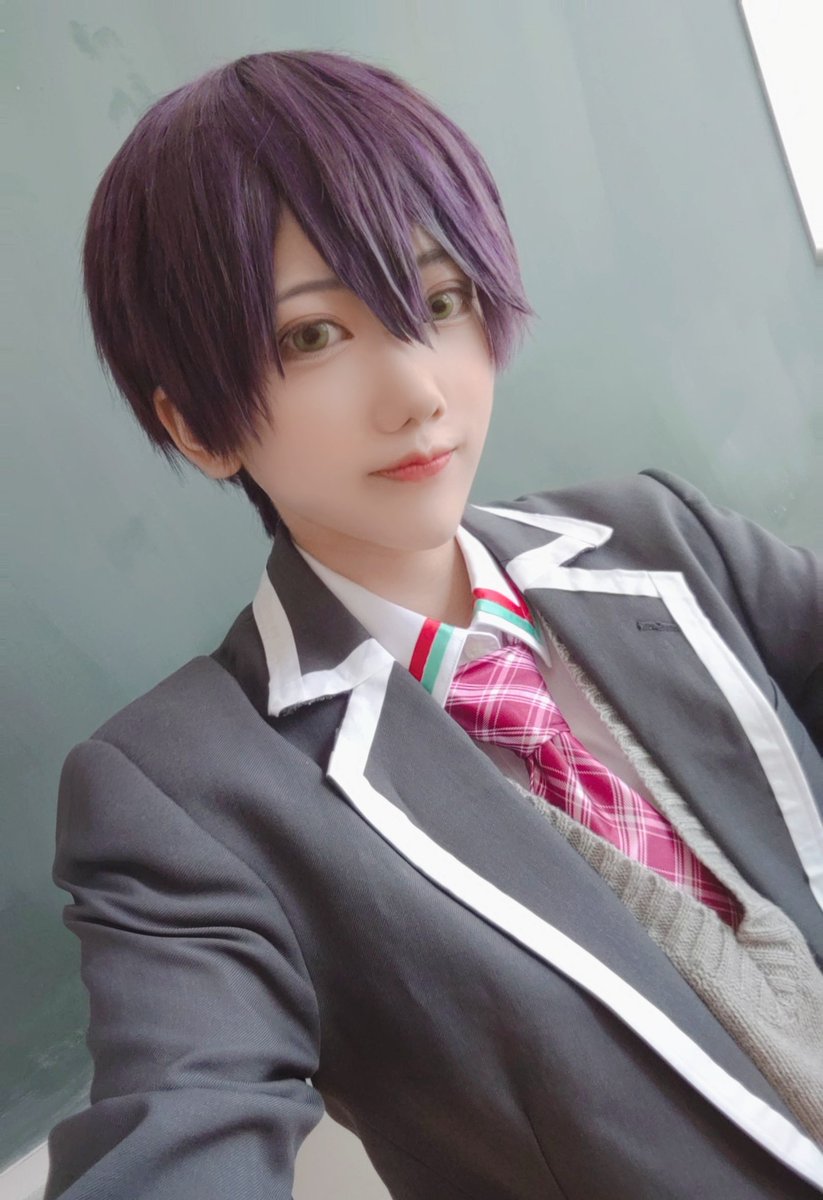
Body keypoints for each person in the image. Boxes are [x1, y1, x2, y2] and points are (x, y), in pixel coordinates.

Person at [45, 48, 822, 1200]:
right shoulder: (186, 798)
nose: (418, 392)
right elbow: (176, 1131)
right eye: (313, 336)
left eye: (441, 301)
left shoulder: (659, 539)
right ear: (197, 427)